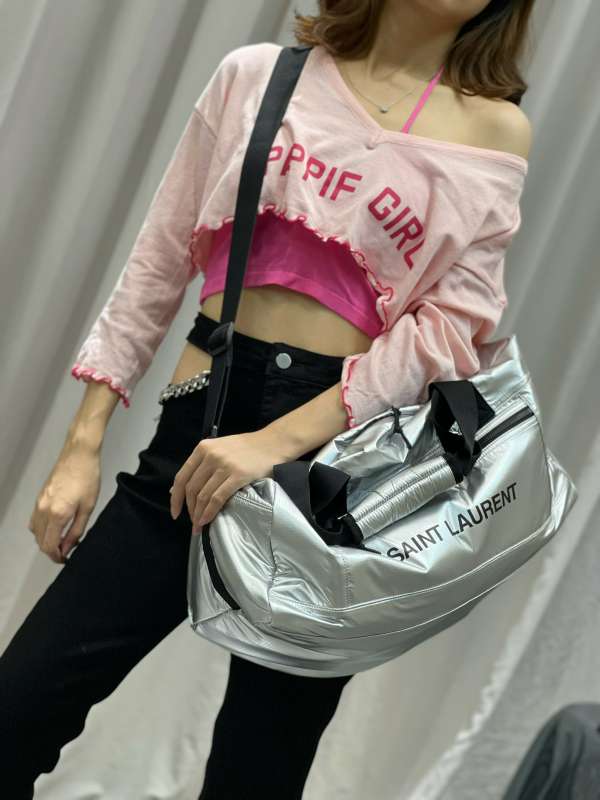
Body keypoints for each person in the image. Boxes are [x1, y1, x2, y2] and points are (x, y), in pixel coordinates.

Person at [0, 0, 534, 797]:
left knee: (259, 771)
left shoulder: (494, 130)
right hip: (202, 423)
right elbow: (158, 260)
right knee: (19, 708)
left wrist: (276, 442)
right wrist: (82, 443)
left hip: (342, 467)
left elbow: (449, 333)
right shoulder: (257, 77)